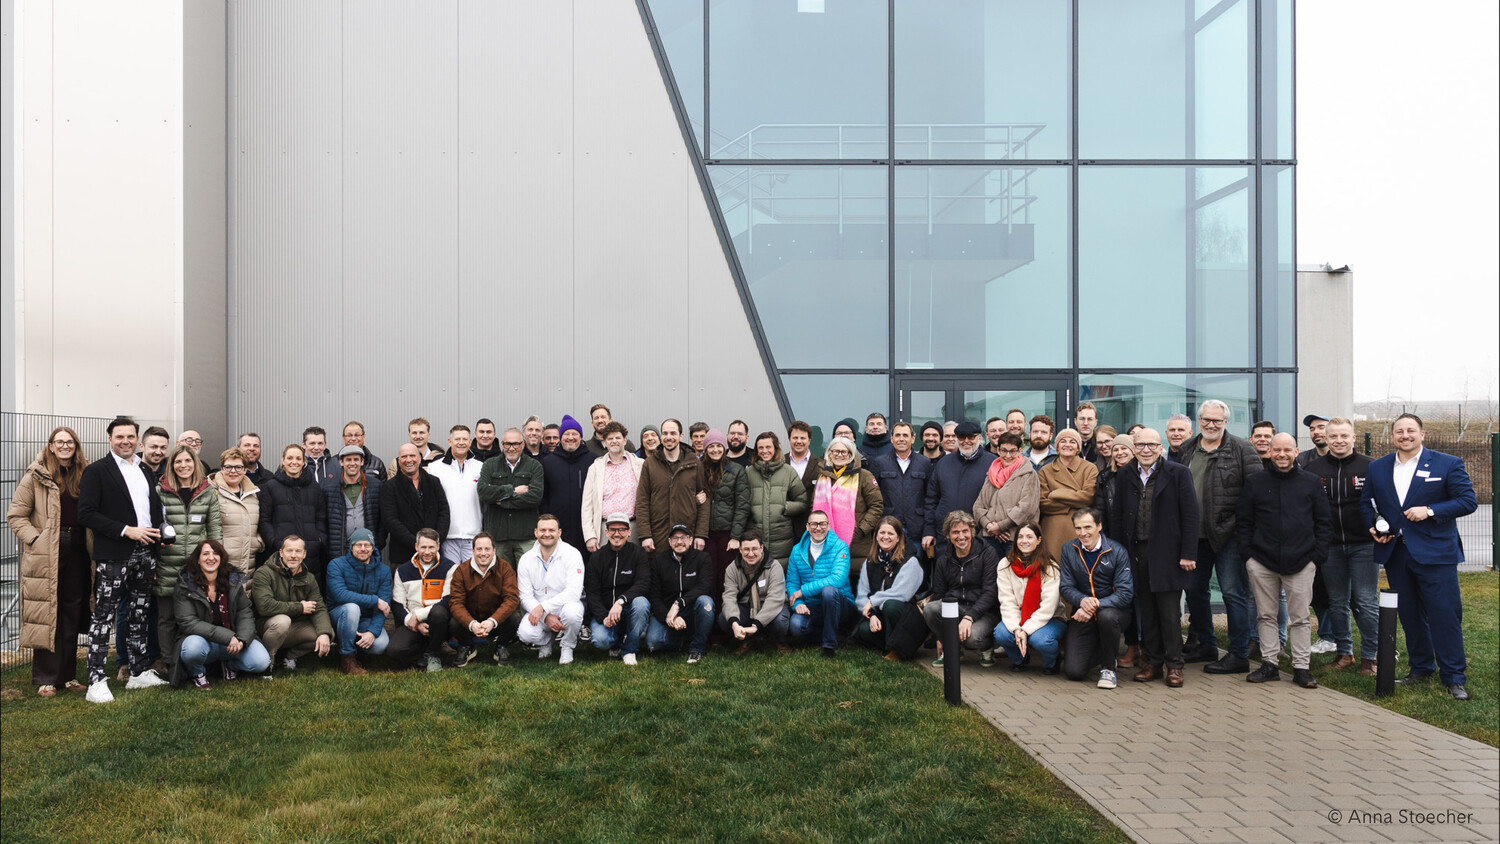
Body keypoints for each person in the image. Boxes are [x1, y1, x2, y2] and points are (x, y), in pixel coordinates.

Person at [1360, 413, 1477, 701]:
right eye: (1399, 431)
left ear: (1422, 434)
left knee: (1444, 615)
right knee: (1410, 615)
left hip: (1436, 553)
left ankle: (1454, 677)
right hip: (1396, 553)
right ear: (1392, 436)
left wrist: (1431, 510)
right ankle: (1421, 668)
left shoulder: (1447, 463)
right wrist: (1373, 525)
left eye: (1411, 430)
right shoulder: (1377, 467)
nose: (1405, 435)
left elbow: (1467, 501)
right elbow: (1366, 503)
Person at [79, 418, 168, 703]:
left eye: (130, 436)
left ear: (137, 440)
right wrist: (126, 530)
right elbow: (86, 513)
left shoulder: (144, 469)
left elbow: (152, 508)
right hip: (114, 554)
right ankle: (96, 681)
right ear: (110, 439)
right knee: (103, 617)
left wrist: (159, 532)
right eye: (120, 437)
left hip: (146, 553)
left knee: (139, 614)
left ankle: (138, 673)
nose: (125, 441)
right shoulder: (96, 471)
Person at [1235, 433, 1332, 689]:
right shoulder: (1255, 482)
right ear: (1269, 451)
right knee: (1266, 615)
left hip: (1302, 561)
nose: (1281, 454)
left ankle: (1301, 668)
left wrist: (1316, 558)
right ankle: (1270, 664)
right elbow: (1243, 522)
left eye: (1287, 450)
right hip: (1261, 561)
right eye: (1276, 450)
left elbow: (1324, 522)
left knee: (1300, 617)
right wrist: (1249, 557)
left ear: (1296, 452)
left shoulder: (1311, 482)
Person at [1106, 427, 1198, 688]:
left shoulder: (1178, 473)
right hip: (1136, 552)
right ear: (1134, 448)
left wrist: (1188, 553)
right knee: (1146, 611)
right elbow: (1117, 515)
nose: (1146, 450)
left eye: (1151, 445)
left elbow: (1191, 515)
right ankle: (1154, 663)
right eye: (1140, 445)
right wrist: (1119, 553)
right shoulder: (1125, 474)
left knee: (1168, 613)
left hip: (1169, 553)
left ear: (1161, 448)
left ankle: (1175, 665)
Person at [1179, 399, 1262, 675]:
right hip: (1195, 537)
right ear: (1199, 420)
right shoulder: (1187, 448)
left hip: (1230, 535)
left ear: (1226, 421)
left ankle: (1238, 654)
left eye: (1217, 420)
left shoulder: (1242, 449)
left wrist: (1242, 528)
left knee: (1232, 593)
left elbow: (1255, 493)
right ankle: (1207, 645)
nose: (1211, 425)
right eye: (1206, 419)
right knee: (1194, 591)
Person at [7, 426, 91, 696]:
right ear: (51, 446)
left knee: (72, 610)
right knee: (47, 613)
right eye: (60, 442)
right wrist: (36, 539)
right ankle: (46, 678)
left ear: (76, 447)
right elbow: (16, 515)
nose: (65, 446)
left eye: (70, 442)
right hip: (47, 551)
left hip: (79, 547)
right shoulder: (36, 475)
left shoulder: (85, 474)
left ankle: (67, 676)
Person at [1305, 417, 1379, 674]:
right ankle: (1345, 653)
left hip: (1364, 545)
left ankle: (1371, 657)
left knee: (1366, 601)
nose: (1339, 441)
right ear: (1326, 438)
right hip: (1330, 546)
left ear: (1353, 438)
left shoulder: (1371, 466)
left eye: (1344, 436)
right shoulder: (1313, 469)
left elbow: (1383, 503)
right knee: (1337, 601)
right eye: (1334, 436)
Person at [156, 444, 224, 677]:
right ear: (171, 465)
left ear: (195, 464)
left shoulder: (207, 492)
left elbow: (214, 529)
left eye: (187, 461)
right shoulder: (160, 491)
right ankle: (169, 664)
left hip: (197, 567)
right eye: (178, 461)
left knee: (197, 616)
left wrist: (216, 560)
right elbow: (152, 526)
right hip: (166, 563)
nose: (183, 465)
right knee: (167, 618)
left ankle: (193, 661)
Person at [173, 540, 271, 688]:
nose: (211, 558)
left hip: (234, 641)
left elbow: (244, 613)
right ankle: (197, 673)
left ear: (221, 558)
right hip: (204, 641)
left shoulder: (232, 580)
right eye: (205, 554)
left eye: (215, 553)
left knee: (261, 661)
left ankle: (231, 665)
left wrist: (241, 640)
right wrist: (227, 637)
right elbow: (188, 622)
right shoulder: (186, 584)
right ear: (198, 560)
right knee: (192, 648)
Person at [1059, 508, 1133, 688]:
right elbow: (1066, 587)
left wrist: (1095, 604)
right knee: (1074, 672)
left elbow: (1125, 593)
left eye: (1088, 527)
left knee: (1106, 617)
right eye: (1078, 528)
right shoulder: (1068, 549)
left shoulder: (1117, 551)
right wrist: (1082, 601)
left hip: (1114, 613)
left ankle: (1109, 668)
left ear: (1099, 526)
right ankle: (1104, 648)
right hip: (1083, 613)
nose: (1083, 533)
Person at [922, 511, 1000, 666]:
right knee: (931, 609)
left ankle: (987, 648)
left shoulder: (988, 554)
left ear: (972, 532)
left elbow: (991, 592)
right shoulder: (944, 560)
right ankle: (952, 650)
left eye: (965, 531)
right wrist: (941, 637)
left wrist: (969, 617)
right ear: (948, 535)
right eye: (955, 532)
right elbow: (939, 594)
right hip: (956, 608)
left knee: (972, 638)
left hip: (985, 611)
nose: (961, 536)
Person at [250, 534, 333, 675]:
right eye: (289, 551)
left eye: (298, 551)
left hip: (293, 629)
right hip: (266, 627)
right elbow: (265, 607)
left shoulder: (309, 578)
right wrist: (300, 608)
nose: (293, 555)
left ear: (304, 554)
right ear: (281, 552)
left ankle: (286, 657)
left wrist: (324, 633)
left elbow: (318, 607)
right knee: (283, 621)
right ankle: (267, 664)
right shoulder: (264, 573)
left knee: (326, 632)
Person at [994, 523, 1067, 673]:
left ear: (1038, 540)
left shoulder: (1050, 567)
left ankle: (1052, 662)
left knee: (1040, 640)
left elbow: (1048, 607)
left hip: (1051, 618)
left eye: (1029, 537)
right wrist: (1016, 628)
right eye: (1020, 537)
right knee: (1001, 634)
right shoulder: (1005, 565)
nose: (1024, 541)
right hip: (1018, 616)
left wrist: (1025, 630)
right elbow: (1007, 601)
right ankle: (1020, 659)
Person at [812, 437, 884, 589]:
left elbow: (876, 506)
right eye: (836, 451)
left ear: (850, 454)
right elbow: (814, 507)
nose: (839, 455)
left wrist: (861, 529)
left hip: (857, 546)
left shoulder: (864, 476)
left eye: (844, 452)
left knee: (858, 592)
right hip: (827, 543)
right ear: (829, 454)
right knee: (832, 591)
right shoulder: (822, 477)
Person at [786, 510, 855, 658]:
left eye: (822, 524)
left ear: (828, 526)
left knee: (828, 591)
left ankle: (829, 645)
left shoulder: (840, 547)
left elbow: (837, 579)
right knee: (796, 626)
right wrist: (798, 602)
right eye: (814, 524)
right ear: (807, 526)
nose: (818, 528)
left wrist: (803, 591)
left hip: (839, 604)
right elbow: (792, 582)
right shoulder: (797, 550)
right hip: (813, 607)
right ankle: (836, 633)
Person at [447, 532, 523, 668]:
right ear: (473, 551)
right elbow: (455, 602)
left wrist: (492, 621)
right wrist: (471, 623)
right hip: (471, 622)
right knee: (454, 621)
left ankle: (501, 646)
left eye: (487, 549)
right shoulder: (461, 570)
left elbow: (511, 599)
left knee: (515, 617)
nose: (483, 553)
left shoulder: (505, 568)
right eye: (479, 549)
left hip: (497, 622)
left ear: (494, 550)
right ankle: (467, 646)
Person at [851, 517, 923, 656]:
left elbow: (901, 594)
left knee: (891, 605)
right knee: (864, 630)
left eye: (890, 533)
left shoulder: (911, 561)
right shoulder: (870, 562)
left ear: (898, 538)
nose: (885, 537)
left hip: (909, 618)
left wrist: (873, 601)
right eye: (882, 533)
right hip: (881, 614)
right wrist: (872, 615)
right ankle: (892, 645)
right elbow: (862, 596)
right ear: (876, 536)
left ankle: (895, 650)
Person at [635, 419, 709, 554]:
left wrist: (700, 534)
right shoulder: (650, 464)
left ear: (681, 436)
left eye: (673, 433)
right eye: (665, 433)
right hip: (658, 536)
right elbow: (642, 501)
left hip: (687, 536)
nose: (669, 437)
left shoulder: (694, 464)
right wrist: (645, 535)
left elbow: (704, 500)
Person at [644, 524, 715, 663]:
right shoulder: (658, 561)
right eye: (675, 538)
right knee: (653, 642)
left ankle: (697, 648)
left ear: (690, 540)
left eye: (683, 537)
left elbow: (704, 587)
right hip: (668, 613)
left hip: (692, 611)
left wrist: (679, 603)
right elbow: (654, 596)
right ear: (669, 541)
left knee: (706, 602)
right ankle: (678, 641)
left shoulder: (702, 558)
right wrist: (669, 617)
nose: (679, 542)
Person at [585, 514, 651, 664]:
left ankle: (629, 649)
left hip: (628, 609)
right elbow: (592, 592)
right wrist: (603, 616)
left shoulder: (638, 553)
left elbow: (643, 583)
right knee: (601, 641)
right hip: (606, 612)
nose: (617, 534)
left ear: (629, 532)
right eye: (612, 529)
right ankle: (616, 643)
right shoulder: (597, 557)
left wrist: (621, 601)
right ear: (606, 532)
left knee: (642, 604)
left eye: (621, 529)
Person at [923, 421, 996, 557]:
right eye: (962, 437)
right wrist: (929, 531)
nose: (966, 441)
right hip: (945, 536)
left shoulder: (993, 463)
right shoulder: (943, 463)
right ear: (957, 439)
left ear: (979, 438)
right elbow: (931, 500)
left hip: (979, 535)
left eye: (971, 437)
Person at [388, 529, 457, 672]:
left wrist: (419, 615)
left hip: (439, 620)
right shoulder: (403, 570)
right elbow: (397, 604)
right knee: (395, 650)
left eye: (431, 547)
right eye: (423, 547)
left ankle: (433, 655)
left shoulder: (449, 567)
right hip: (413, 622)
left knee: (439, 612)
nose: (427, 552)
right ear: (416, 547)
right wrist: (414, 622)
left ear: (438, 546)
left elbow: (448, 600)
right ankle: (426, 649)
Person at [325, 528, 392, 675]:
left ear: (372, 548)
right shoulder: (336, 565)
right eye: (358, 545)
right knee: (352, 608)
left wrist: (372, 632)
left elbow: (384, 606)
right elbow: (340, 595)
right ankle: (347, 658)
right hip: (338, 617)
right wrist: (375, 600)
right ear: (351, 547)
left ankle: (358, 651)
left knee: (380, 644)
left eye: (367, 545)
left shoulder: (384, 571)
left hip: (365, 620)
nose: (363, 549)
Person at [478, 427, 546, 569]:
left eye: (515, 444)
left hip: (525, 536)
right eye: (508, 444)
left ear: (523, 445)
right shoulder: (490, 465)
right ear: (502, 444)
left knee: (529, 575)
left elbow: (535, 497)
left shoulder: (534, 466)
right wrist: (513, 491)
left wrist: (501, 501)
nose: (511, 448)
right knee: (500, 577)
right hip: (498, 536)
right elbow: (484, 492)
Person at [259, 443, 329, 574]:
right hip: (281, 552)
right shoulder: (271, 486)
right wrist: (274, 542)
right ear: (283, 460)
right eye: (290, 458)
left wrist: (318, 540)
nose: (294, 462)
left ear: (304, 462)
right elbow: (264, 520)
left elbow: (321, 518)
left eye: (298, 458)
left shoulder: (314, 487)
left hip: (310, 552)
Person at [869, 422, 931, 567]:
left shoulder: (924, 463)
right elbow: (873, 498)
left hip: (916, 528)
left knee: (914, 570)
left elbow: (930, 498)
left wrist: (928, 529)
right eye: (897, 435)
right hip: (888, 528)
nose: (901, 439)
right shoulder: (879, 463)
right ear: (891, 439)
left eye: (905, 435)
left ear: (913, 439)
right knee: (888, 569)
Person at [720, 530, 790, 655]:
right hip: (746, 607)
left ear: (761, 548)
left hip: (770, 607)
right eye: (746, 549)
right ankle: (748, 640)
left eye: (754, 549)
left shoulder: (774, 566)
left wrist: (756, 625)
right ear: (740, 550)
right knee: (724, 619)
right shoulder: (732, 569)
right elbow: (729, 597)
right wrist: (734, 624)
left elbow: (775, 599)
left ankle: (779, 640)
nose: (751, 554)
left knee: (780, 621)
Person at [744, 431, 810, 564]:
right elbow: (741, 502)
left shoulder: (788, 471)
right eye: (761, 448)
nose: (764, 451)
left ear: (775, 448)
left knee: (780, 572)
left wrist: (784, 508)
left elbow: (802, 501)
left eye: (768, 447)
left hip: (782, 537)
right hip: (755, 537)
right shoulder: (748, 473)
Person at [382, 441, 452, 566]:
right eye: (404, 457)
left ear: (420, 458)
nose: (408, 460)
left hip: (433, 554)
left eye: (412, 456)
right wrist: (417, 544)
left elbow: (444, 512)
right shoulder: (390, 487)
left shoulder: (434, 482)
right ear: (398, 461)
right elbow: (390, 520)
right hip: (402, 556)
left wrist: (433, 543)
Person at [972, 432, 1039, 558]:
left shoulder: (1029, 474)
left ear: (1019, 451)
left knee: (1013, 570)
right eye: (1004, 450)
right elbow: (978, 506)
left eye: (1012, 451)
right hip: (990, 537)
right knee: (991, 570)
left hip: (1015, 538)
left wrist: (1001, 526)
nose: (1008, 456)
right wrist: (989, 526)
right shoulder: (991, 474)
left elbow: (1027, 508)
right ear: (998, 450)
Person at [322, 446, 385, 579]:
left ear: (362, 462)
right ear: (341, 462)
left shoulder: (375, 486)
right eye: (348, 460)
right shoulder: (329, 488)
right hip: (340, 551)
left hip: (367, 551)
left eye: (356, 459)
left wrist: (377, 542)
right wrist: (330, 546)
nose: (352, 463)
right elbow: (324, 521)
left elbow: (382, 520)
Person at [702, 429, 751, 596]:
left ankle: (728, 611)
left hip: (727, 534)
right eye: (711, 446)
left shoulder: (736, 470)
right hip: (706, 534)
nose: (715, 450)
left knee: (726, 578)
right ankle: (710, 611)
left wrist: (736, 536)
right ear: (706, 449)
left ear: (724, 448)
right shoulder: (699, 469)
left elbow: (742, 505)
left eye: (719, 446)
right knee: (708, 576)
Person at [1036, 429, 1098, 564]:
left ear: (1078, 448)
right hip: (1053, 530)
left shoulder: (1089, 468)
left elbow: (1088, 498)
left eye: (1072, 442)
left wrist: (1057, 494)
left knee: (1079, 566)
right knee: (1052, 568)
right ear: (1057, 448)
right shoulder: (1045, 470)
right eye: (1063, 441)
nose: (1067, 444)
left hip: (1080, 527)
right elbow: (1042, 503)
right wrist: (1074, 503)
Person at [582, 422, 644, 552]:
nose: (614, 441)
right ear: (605, 442)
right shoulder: (595, 468)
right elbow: (587, 505)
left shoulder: (639, 465)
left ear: (625, 440)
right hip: (605, 529)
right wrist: (590, 536)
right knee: (605, 564)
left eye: (618, 438)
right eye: (610, 438)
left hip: (632, 528)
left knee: (632, 562)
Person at [428, 424, 484, 564]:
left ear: (470, 442)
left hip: (474, 534)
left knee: (472, 575)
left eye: (465, 439)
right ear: (449, 441)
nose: (461, 442)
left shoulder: (481, 467)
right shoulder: (435, 468)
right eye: (457, 439)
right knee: (451, 575)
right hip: (447, 536)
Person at [539, 415, 593, 551]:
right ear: (561, 437)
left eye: (574, 434)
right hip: (557, 529)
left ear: (581, 437)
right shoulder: (548, 462)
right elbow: (543, 497)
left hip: (586, 529)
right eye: (566, 434)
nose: (570, 437)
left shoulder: (593, 461)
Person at [208, 448, 264, 576]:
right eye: (228, 467)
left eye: (238, 467)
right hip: (221, 564)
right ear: (221, 469)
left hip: (249, 564)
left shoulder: (253, 494)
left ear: (245, 470)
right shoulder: (211, 493)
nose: (233, 471)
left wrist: (258, 542)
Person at [785, 421, 822, 539]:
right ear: (789, 439)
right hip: (783, 528)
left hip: (811, 529)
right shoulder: (779, 462)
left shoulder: (821, 466)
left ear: (809, 440)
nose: (799, 441)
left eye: (803, 438)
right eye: (795, 438)